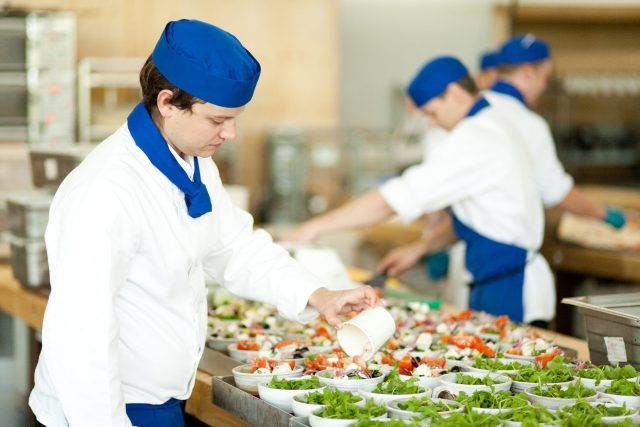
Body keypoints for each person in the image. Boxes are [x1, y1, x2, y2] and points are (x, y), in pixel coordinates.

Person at [29, 20, 379, 427]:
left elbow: (234, 246)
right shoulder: (105, 192)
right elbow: (81, 336)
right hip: (107, 411)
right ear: (167, 103)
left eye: (235, 118)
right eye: (217, 120)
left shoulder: (194, 162)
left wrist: (317, 295)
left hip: (163, 402)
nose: (230, 134)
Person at [286, 55, 554, 327]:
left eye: (431, 113)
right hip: (498, 279)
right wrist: (420, 247)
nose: (433, 124)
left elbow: (389, 201)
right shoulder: (491, 122)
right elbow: (486, 216)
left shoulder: (476, 138)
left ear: (454, 93)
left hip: (511, 289)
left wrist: (314, 227)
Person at [376, 35, 628, 294]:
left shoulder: (458, 112)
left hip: (464, 259)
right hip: (500, 264)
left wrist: (427, 243)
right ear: (529, 74)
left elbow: (434, 189)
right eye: (544, 78)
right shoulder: (525, 124)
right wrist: (608, 215)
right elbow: (556, 192)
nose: (543, 87)